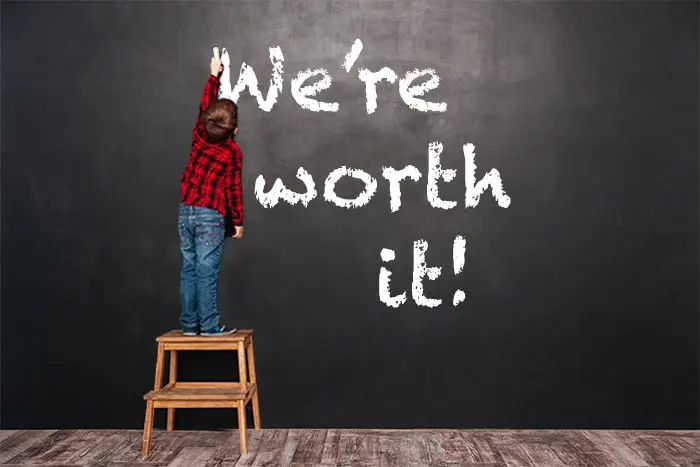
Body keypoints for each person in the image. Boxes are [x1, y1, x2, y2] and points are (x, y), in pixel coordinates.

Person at [178, 49, 243, 336]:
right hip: (210, 216)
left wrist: (213, 76)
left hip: (186, 212)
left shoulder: (197, 134)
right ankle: (210, 324)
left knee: (189, 267)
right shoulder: (231, 152)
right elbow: (232, 190)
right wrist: (238, 221)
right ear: (235, 131)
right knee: (207, 271)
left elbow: (205, 106)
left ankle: (189, 325)